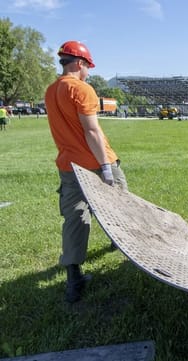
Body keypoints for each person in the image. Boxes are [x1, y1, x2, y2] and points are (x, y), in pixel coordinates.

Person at [44, 40, 128, 303]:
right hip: (94, 163)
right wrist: (105, 167)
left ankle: (73, 278)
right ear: (80, 63)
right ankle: (125, 246)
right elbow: (92, 131)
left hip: (68, 166)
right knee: (121, 205)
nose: (88, 72)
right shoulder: (82, 89)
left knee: (75, 218)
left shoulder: (51, 90)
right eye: (88, 67)